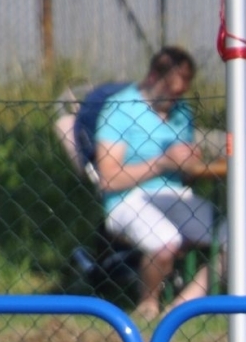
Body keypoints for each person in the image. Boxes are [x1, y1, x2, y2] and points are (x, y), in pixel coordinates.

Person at [92, 46, 216, 320]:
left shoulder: (182, 111)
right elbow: (109, 178)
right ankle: (148, 304)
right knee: (165, 242)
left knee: (245, 239)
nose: (175, 100)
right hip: (128, 199)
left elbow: (185, 170)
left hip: (177, 195)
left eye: (180, 93)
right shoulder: (120, 109)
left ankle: (183, 306)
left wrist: (192, 163)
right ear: (152, 78)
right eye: (171, 92)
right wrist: (160, 162)